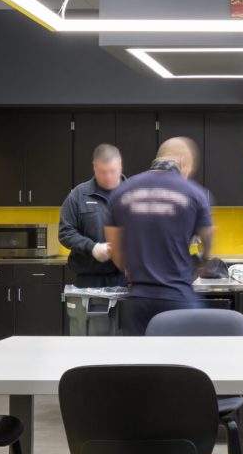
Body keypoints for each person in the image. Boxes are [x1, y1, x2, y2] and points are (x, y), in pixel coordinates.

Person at [104, 136, 214, 336]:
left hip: (138, 300)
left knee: (141, 355)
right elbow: (205, 246)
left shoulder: (121, 192)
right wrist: (194, 265)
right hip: (179, 298)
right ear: (183, 162)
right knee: (187, 354)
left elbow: (116, 252)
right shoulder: (195, 194)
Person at [58, 143, 124, 289]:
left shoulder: (134, 193)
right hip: (89, 280)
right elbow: (65, 232)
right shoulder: (78, 195)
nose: (108, 177)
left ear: (120, 165)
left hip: (127, 278)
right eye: (102, 172)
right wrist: (92, 248)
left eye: (112, 171)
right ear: (94, 167)